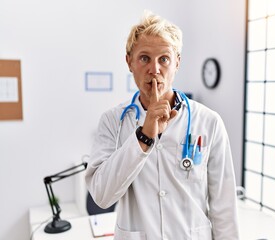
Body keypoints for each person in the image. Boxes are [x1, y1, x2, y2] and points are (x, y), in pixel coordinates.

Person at [85, 11, 240, 240]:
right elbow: (102, 196)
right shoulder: (112, 122)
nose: (154, 69)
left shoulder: (209, 122)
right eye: (144, 58)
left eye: (164, 59)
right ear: (129, 62)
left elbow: (224, 208)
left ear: (177, 62)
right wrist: (143, 136)